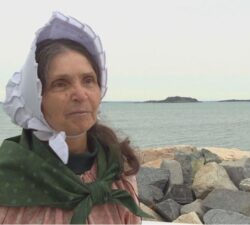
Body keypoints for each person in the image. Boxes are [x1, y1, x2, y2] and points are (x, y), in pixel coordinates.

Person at [0, 12, 149, 224]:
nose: (80, 95)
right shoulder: (9, 177)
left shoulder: (117, 168)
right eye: (61, 83)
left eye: (88, 80)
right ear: (36, 98)